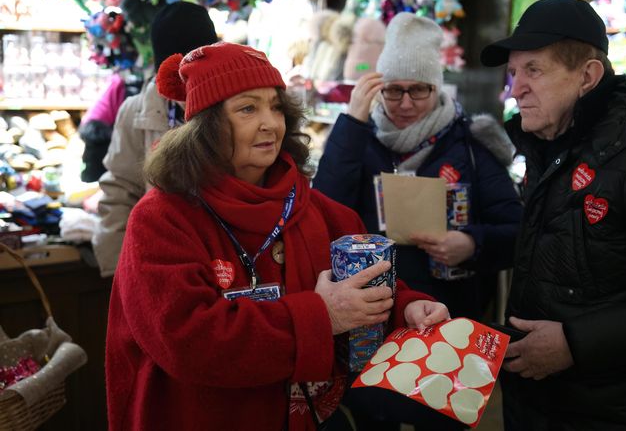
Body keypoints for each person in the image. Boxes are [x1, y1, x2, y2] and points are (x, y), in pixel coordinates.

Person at [105, 41, 450, 431]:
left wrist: (407, 307)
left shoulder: (315, 208)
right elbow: (188, 342)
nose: (270, 122)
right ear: (207, 125)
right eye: (248, 108)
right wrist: (323, 316)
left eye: (275, 105)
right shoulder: (161, 219)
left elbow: (364, 286)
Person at [313, 12, 523, 430]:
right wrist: (352, 122)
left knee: (442, 418)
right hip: (372, 320)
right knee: (375, 416)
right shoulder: (361, 142)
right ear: (378, 88)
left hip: (449, 321)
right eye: (393, 91)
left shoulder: (470, 146)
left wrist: (472, 243)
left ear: (437, 86)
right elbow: (323, 207)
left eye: (419, 90)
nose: (406, 103)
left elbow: (517, 230)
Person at [480, 0, 626, 430]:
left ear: (588, 76)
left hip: (614, 410)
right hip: (539, 403)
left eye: (533, 70)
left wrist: (575, 344)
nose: (515, 88)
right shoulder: (552, 144)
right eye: (512, 73)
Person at [92, 1, 218, 277]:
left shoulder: (231, 107)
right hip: (158, 260)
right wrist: (119, 270)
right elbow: (119, 189)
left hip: (223, 258)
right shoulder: (135, 111)